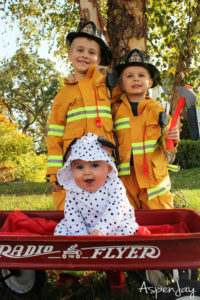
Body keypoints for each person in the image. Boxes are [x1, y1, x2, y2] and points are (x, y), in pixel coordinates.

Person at [46, 22, 117, 210]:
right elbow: (54, 135)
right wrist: (54, 171)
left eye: (92, 52)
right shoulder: (62, 95)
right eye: (80, 50)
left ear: (99, 59)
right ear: (70, 55)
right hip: (72, 166)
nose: (85, 55)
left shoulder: (110, 89)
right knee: (69, 212)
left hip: (102, 164)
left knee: (105, 211)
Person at [112, 49, 180, 210]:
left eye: (141, 75)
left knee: (161, 223)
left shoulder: (158, 112)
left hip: (154, 180)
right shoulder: (113, 110)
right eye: (129, 76)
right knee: (126, 225)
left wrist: (171, 138)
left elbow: (165, 147)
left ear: (150, 82)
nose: (136, 78)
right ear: (121, 84)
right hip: (124, 180)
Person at [54, 133, 139, 236]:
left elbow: (115, 211)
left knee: (126, 231)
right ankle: (73, 247)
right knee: (61, 229)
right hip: (84, 228)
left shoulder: (114, 185)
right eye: (80, 167)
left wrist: (100, 231)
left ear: (108, 168)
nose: (87, 172)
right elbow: (72, 215)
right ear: (71, 170)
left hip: (114, 225)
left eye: (94, 165)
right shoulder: (73, 188)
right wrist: (81, 237)